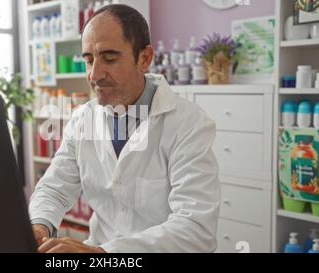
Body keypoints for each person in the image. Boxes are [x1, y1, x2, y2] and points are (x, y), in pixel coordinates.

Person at [28, 4, 220, 253]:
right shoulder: (83, 119)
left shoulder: (188, 124)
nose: (94, 75)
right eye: (88, 60)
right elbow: (54, 188)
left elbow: (195, 230)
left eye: (109, 58)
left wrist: (105, 253)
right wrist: (39, 226)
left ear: (145, 58)